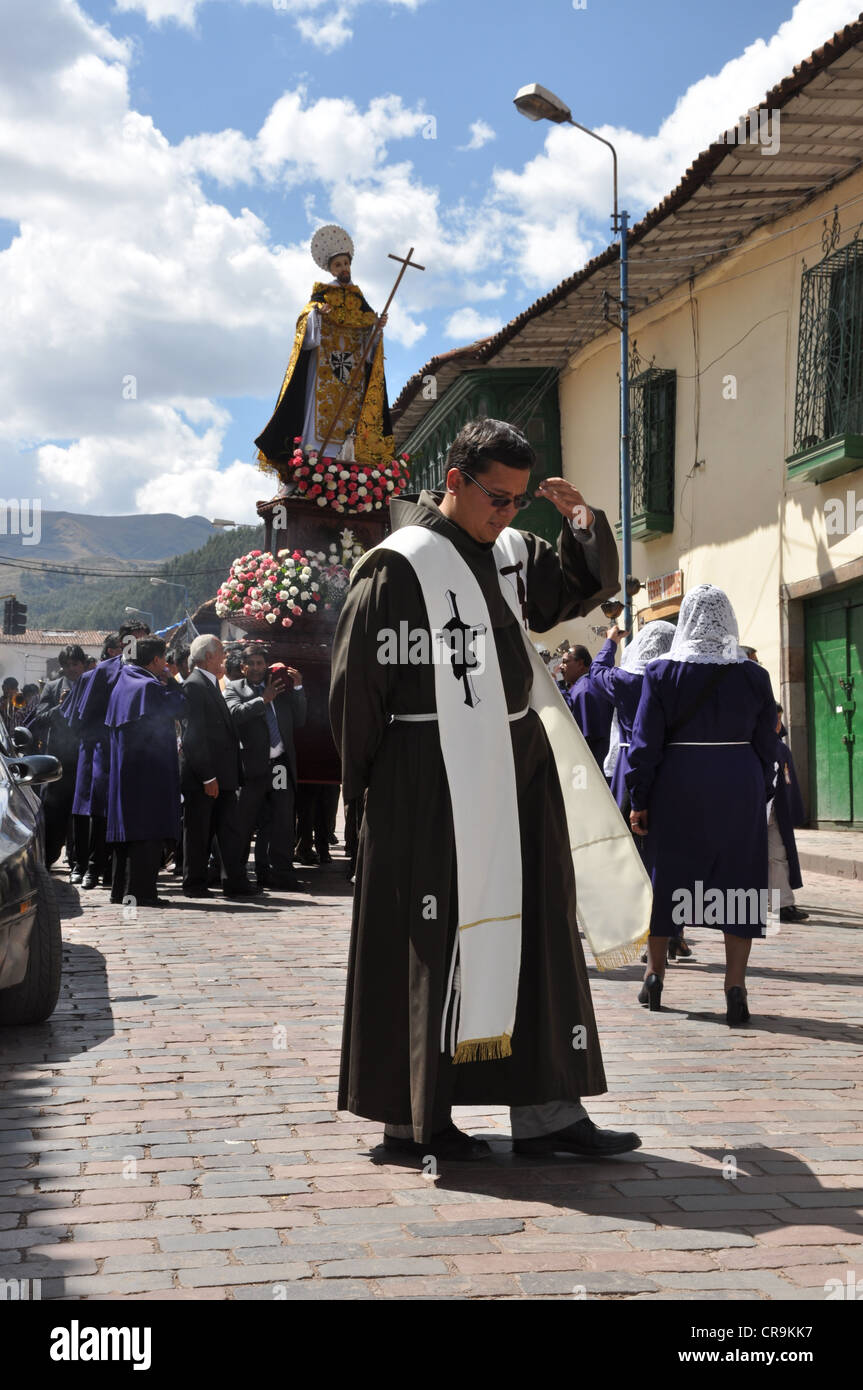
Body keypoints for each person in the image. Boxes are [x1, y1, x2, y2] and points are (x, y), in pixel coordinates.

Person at [330, 417, 651, 1161]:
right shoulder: (397, 566)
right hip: (423, 777)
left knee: (536, 928)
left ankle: (547, 1112)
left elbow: (571, 593)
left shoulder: (511, 554)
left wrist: (578, 522)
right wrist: (366, 798)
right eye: (494, 498)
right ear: (455, 481)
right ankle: (416, 1120)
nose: (506, 514)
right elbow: (356, 694)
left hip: (516, 768)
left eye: (516, 501)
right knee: (431, 941)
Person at [626, 585, 777, 1025]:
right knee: (739, 881)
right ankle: (735, 986)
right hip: (738, 783)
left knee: (667, 875)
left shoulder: (660, 673)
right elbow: (768, 740)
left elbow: (644, 743)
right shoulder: (754, 675)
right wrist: (759, 789)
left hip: (678, 784)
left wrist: (640, 798)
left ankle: (654, 974)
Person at [255, 224, 393, 472]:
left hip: (352, 377)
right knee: (317, 417)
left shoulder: (359, 302)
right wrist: (317, 316)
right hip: (323, 374)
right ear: (331, 268)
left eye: (346, 264)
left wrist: (376, 328)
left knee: (350, 424)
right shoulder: (320, 298)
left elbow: (369, 344)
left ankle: (348, 462)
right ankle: (313, 464)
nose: (344, 269)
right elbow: (305, 333)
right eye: (338, 265)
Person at [588, 620, 689, 958]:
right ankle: (673, 930)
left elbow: (597, 672)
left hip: (631, 765)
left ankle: (648, 932)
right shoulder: (677, 679)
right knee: (671, 854)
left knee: (635, 857)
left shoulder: (626, 680)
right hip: (673, 768)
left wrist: (610, 641)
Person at [104, 637, 185, 907]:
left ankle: (122, 892)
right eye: (164, 660)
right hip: (147, 770)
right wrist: (172, 679)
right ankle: (141, 893)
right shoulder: (148, 686)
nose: (166, 664)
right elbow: (180, 706)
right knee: (146, 830)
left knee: (129, 831)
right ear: (155, 661)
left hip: (127, 768)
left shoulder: (124, 680)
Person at [63, 628, 143, 891]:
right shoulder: (104, 671)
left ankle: (111, 868)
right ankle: (86, 866)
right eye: (134, 639)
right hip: (100, 747)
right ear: (121, 643)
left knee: (117, 811)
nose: (138, 644)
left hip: (132, 751)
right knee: (93, 806)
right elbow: (81, 714)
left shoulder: (147, 671)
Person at [180, 635, 259, 899]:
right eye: (221, 652)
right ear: (208, 656)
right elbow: (193, 736)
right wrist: (207, 776)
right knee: (199, 833)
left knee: (229, 832)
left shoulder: (210, 683)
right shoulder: (194, 685)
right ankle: (194, 884)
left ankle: (234, 882)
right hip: (207, 777)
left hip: (223, 776)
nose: (225, 657)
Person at [224, 646, 306, 890]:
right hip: (252, 769)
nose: (258, 668)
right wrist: (263, 700)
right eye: (253, 663)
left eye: (261, 663)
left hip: (279, 765)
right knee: (244, 822)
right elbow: (234, 715)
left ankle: (278, 873)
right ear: (243, 667)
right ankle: (236, 876)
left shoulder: (279, 687)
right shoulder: (235, 688)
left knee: (281, 821)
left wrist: (299, 688)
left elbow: (299, 719)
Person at [30, 645, 88, 871]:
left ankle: (78, 863)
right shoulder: (53, 689)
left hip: (85, 760)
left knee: (81, 816)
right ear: (62, 667)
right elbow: (40, 719)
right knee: (54, 814)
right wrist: (60, 707)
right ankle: (49, 859)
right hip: (59, 763)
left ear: (83, 665)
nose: (72, 669)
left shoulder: (93, 688)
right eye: (68, 665)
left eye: (76, 664)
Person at [769, 703, 808, 924]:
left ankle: (782, 904)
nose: (778, 724)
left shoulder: (780, 747)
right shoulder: (756, 744)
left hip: (773, 810)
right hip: (753, 809)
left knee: (777, 855)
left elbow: (787, 782)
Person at [560, 644, 614, 769]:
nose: (560, 667)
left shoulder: (584, 690)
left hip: (592, 763)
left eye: (565, 662)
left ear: (580, 663)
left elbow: (585, 738)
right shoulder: (591, 683)